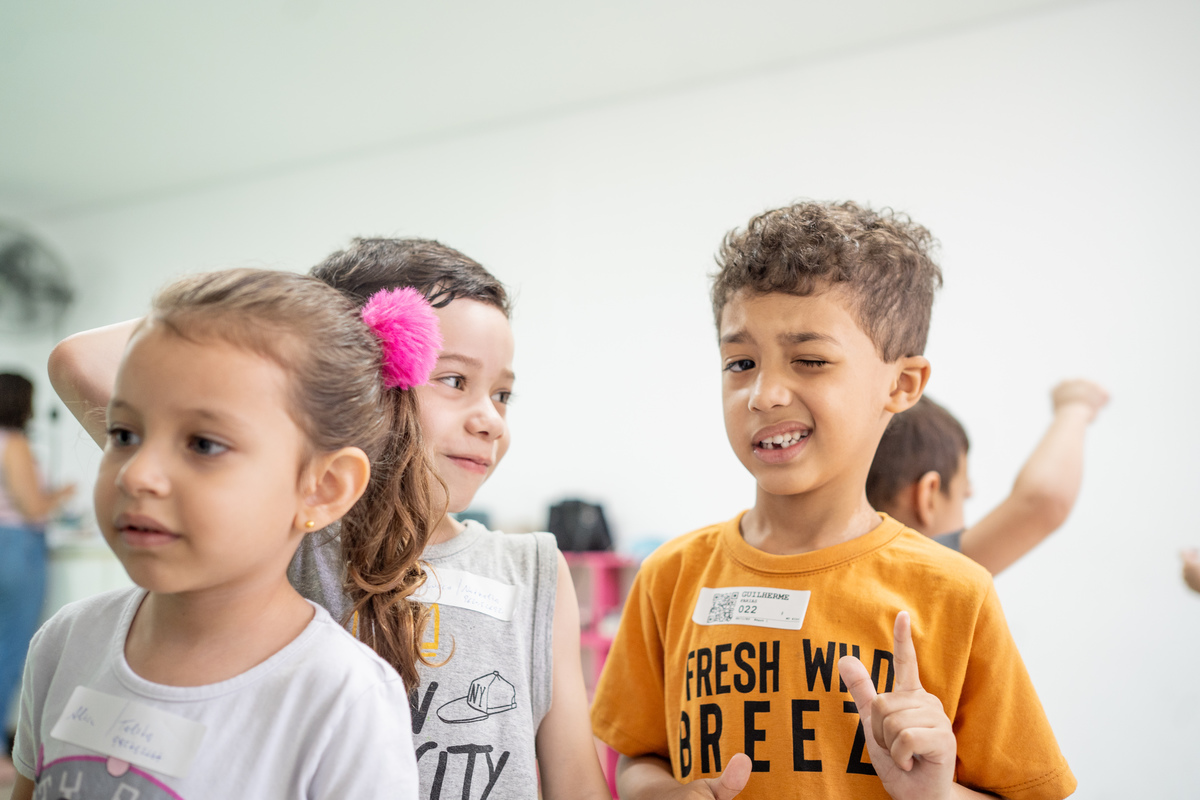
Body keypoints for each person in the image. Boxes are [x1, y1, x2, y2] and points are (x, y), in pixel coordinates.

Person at [48, 239, 611, 800]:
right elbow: (80, 360)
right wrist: (329, 336)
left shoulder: (532, 569)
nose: (490, 419)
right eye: (454, 380)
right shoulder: (287, 523)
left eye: (503, 394)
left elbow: (575, 783)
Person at [590, 202, 1076, 799]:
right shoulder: (670, 576)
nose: (764, 394)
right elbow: (636, 754)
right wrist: (655, 791)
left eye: (810, 361)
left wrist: (936, 793)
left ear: (901, 384)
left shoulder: (955, 592)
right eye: (740, 362)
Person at [15, 269, 438, 799]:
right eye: (125, 434)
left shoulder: (341, 696)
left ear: (323, 488)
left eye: (204, 444)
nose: (135, 473)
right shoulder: (67, 639)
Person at [865, 380, 1108, 575]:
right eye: (963, 493)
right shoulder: (924, 567)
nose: (971, 494)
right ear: (927, 496)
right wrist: (1075, 406)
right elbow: (1043, 500)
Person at [0, 372, 75, 783]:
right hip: (15, 548)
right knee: (10, 650)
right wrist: (60, 494)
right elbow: (31, 506)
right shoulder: (13, 444)